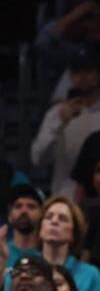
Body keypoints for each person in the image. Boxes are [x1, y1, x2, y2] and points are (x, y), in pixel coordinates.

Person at [32, 46, 100, 197]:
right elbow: (38, 159)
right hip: (65, 199)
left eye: (88, 70)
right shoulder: (56, 113)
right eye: (76, 71)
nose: (82, 76)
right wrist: (59, 123)